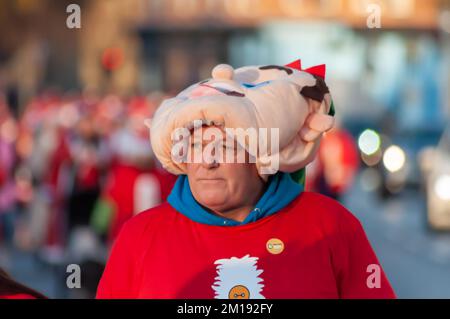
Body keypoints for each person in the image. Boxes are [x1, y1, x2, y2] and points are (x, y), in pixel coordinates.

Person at [96, 60, 396, 299]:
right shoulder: (141, 236)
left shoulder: (330, 227)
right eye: (195, 146)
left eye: (224, 146)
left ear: (262, 157)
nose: (207, 161)